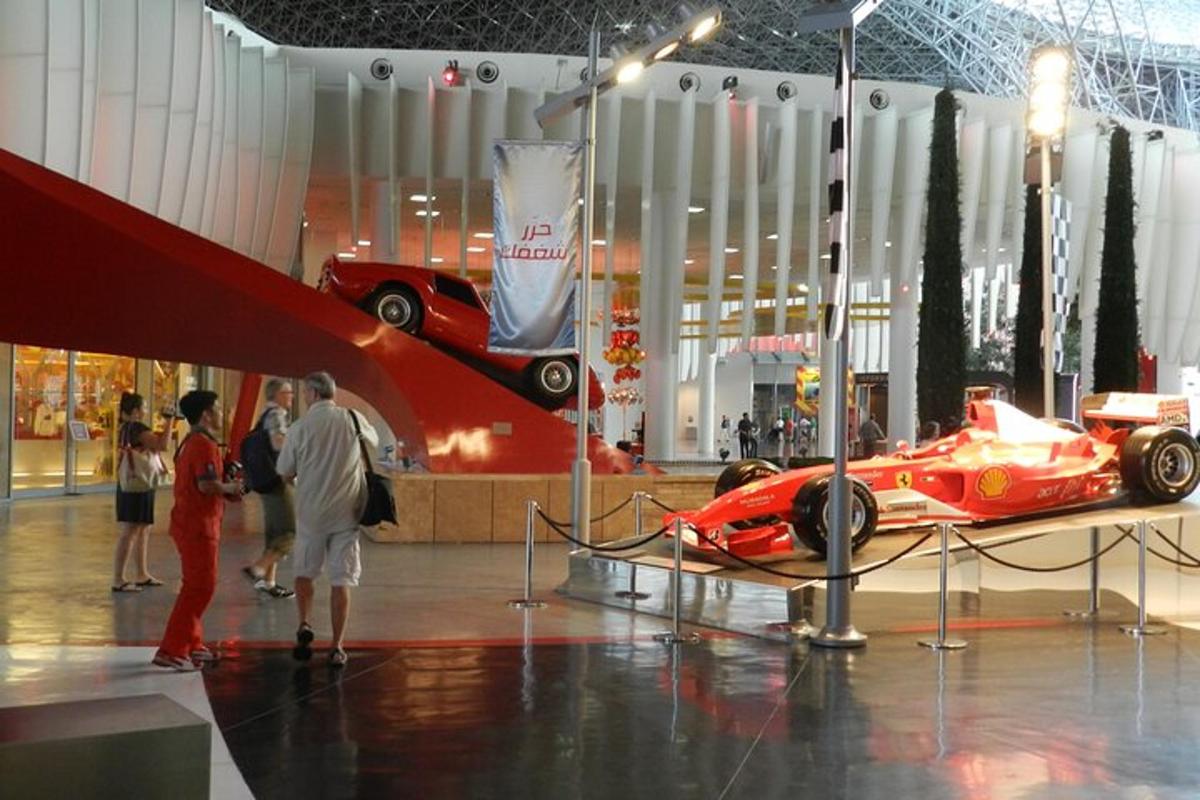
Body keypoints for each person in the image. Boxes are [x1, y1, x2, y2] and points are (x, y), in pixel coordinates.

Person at [276, 371, 378, 668]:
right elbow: (373, 443)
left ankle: (305, 622)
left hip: (311, 514)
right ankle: (337, 646)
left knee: (304, 573)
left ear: (313, 393)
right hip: (347, 514)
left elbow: (285, 472)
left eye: (304, 393)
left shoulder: (299, 427)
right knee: (341, 580)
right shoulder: (353, 419)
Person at [152, 391, 242, 671]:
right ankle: (172, 649)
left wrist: (224, 487)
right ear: (206, 414)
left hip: (191, 522)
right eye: (217, 409)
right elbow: (206, 485)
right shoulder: (203, 445)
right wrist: (231, 487)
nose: (221, 414)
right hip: (198, 526)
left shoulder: (191, 442)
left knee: (197, 584)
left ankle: (192, 641)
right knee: (199, 587)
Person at [112, 392, 174, 593]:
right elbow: (162, 445)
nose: (146, 410)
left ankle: (141, 573)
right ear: (136, 410)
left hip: (134, 481)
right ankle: (119, 578)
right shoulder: (136, 428)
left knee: (142, 527)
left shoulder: (125, 428)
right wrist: (169, 421)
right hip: (139, 482)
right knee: (131, 529)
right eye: (144, 406)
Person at [242, 378, 297, 599]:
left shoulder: (265, 415)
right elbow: (278, 443)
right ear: (277, 395)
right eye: (288, 392)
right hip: (277, 479)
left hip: (265, 480)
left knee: (274, 531)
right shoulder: (277, 415)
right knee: (289, 531)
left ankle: (268, 581)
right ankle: (259, 568)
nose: (292, 396)